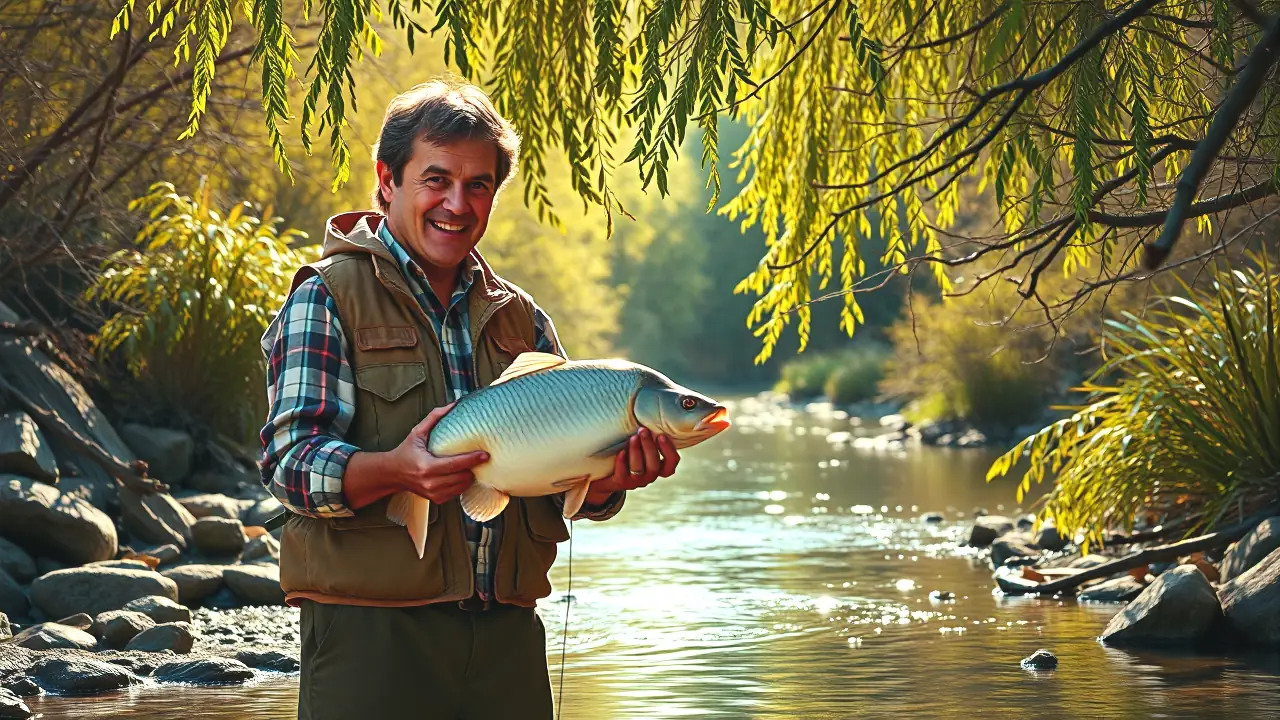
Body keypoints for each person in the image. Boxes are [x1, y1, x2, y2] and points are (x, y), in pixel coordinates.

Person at [258, 79, 682, 720]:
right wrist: (397, 471)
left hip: (507, 643)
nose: (457, 204)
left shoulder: (524, 321)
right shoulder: (326, 296)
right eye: (436, 180)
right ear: (387, 180)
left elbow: (562, 491)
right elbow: (289, 465)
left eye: (478, 185)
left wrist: (607, 483)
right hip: (371, 638)